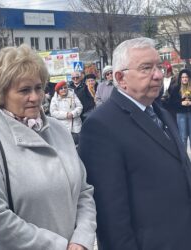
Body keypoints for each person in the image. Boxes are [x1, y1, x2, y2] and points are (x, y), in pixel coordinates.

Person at [0, 44, 96, 250]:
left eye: (38, 87)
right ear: (0, 94)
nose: (35, 97)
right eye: (25, 90)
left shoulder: (58, 129)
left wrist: (82, 240)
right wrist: (61, 247)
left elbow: (84, 191)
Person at [78, 37, 191, 250]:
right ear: (120, 78)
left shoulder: (162, 113)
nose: (158, 74)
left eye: (158, 66)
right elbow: (110, 216)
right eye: (146, 68)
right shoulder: (101, 126)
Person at [50, 80, 83, 145]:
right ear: (58, 91)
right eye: (61, 88)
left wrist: (73, 114)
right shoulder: (54, 99)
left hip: (75, 126)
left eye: (65, 87)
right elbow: (53, 112)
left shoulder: (73, 95)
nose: (63, 90)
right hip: (63, 127)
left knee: (78, 145)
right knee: (66, 146)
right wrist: (66, 115)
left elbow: (80, 107)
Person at [169, 68, 191, 149]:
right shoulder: (176, 89)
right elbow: (171, 103)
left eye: (186, 77)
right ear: (180, 78)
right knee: (183, 137)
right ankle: (185, 159)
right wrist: (181, 102)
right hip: (181, 114)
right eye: (183, 77)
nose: (184, 79)